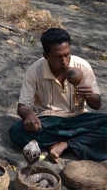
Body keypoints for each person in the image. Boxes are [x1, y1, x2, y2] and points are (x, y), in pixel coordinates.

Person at [9, 28, 107, 163]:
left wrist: (89, 95)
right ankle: (78, 141)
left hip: (79, 118)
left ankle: (65, 144)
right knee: (16, 131)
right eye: (57, 57)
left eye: (67, 55)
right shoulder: (34, 71)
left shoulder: (82, 66)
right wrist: (29, 115)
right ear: (46, 55)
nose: (64, 61)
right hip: (50, 122)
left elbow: (96, 105)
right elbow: (22, 106)